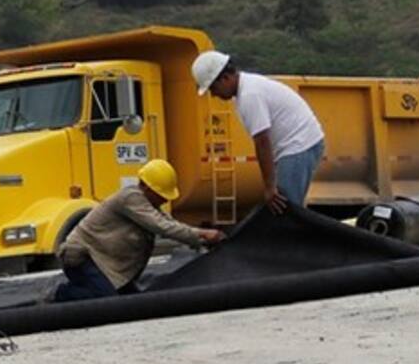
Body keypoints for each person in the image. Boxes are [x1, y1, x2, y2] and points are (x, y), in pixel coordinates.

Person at [54, 159, 225, 302]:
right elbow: (161, 226)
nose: (164, 199)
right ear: (147, 188)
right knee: (107, 302)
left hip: (107, 268)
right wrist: (202, 234)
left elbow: (170, 223)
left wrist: (200, 239)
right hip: (82, 259)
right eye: (161, 194)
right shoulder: (131, 198)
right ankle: (63, 295)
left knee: (134, 304)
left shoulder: (149, 204)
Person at [192, 50, 325, 214]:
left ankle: (297, 239)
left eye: (213, 88)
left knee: (285, 208)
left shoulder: (250, 95)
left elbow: (262, 141)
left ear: (225, 78)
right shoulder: (245, 90)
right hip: (296, 146)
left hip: (299, 146)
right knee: (286, 208)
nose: (214, 95)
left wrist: (270, 187)